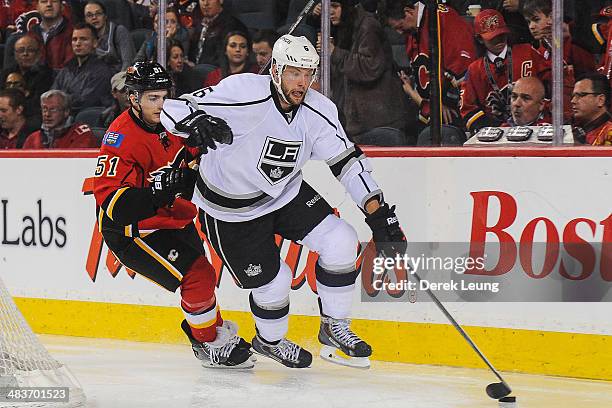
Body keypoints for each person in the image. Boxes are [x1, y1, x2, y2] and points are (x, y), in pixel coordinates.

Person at [161, 35, 407, 369]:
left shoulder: (319, 110)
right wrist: (195, 122)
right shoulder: (241, 91)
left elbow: (347, 163)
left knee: (342, 241)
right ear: (275, 70)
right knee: (275, 283)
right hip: (230, 210)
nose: (302, 82)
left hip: (285, 193)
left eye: (308, 73)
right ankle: (270, 341)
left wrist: (377, 214)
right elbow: (173, 108)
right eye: (294, 73)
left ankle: (334, 327)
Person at [92, 61, 254, 368]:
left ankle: (210, 331)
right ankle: (207, 343)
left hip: (175, 217)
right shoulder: (120, 139)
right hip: (132, 231)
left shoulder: (175, 119)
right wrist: (157, 192)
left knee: (203, 276)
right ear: (134, 99)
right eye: (152, 98)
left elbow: (193, 155)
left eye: (165, 96)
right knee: (198, 275)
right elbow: (113, 205)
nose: (161, 105)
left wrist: (211, 136)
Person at [313, 1, 410, 146]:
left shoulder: (368, 26)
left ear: (346, 6)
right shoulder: (343, 26)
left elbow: (369, 68)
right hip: (358, 121)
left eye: (335, 6)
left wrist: (334, 52)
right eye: (327, 7)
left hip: (379, 120)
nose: (330, 12)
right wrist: (315, 19)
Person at [386, 0, 475, 142]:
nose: (399, 32)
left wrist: (441, 100)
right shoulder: (413, 31)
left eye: (400, 26)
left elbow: (462, 63)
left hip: (454, 108)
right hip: (433, 109)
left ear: (409, 12)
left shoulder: (441, 17)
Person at [460, 9, 550, 134]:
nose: (499, 41)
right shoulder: (475, 69)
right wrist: (493, 129)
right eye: (492, 38)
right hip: (493, 133)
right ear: (480, 39)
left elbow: (552, 82)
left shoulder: (527, 52)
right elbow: (467, 108)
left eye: (501, 35)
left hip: (536, 127)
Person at [52, 22, 114, 113]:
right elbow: (52, 94)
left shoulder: (102, 71)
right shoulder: (66, 69)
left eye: (83, 39)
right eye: (74, 39)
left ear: (95, 43)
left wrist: (60, 101)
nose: (77, 43)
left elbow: (85, 102)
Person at [23, 89, 99, 148]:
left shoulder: (81, 134)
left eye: (53, 109)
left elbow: (77, 164)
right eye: (44, 109)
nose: (47, 114)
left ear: (66, 112)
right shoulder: (33, 139)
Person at [188, 0, 248, 66]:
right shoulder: (198, 24)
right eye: (202, 0)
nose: (205, 3)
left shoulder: (232, 26)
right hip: (195, 70)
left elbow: (224, 59)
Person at [84, 0, 135, 73]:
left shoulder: (119, 31)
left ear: (105, 16)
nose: (94, 17)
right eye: (89, 15)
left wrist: (118, 80)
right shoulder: (84, 38)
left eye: (98, 13)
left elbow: (128, 63)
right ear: (85, 20)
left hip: (119, 78)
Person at [29, 0, 74, 70]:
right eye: (44, 1)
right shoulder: (31, 34)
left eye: (54, 1)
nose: (49, 4)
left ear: (62, 6)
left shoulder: (73, 32)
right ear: (37, 7)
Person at [571, 73, 612, 146]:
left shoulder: (609, 133)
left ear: (600, 100)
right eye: (573, 96)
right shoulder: (576, 130)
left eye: (580, 95)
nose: (573, 101)